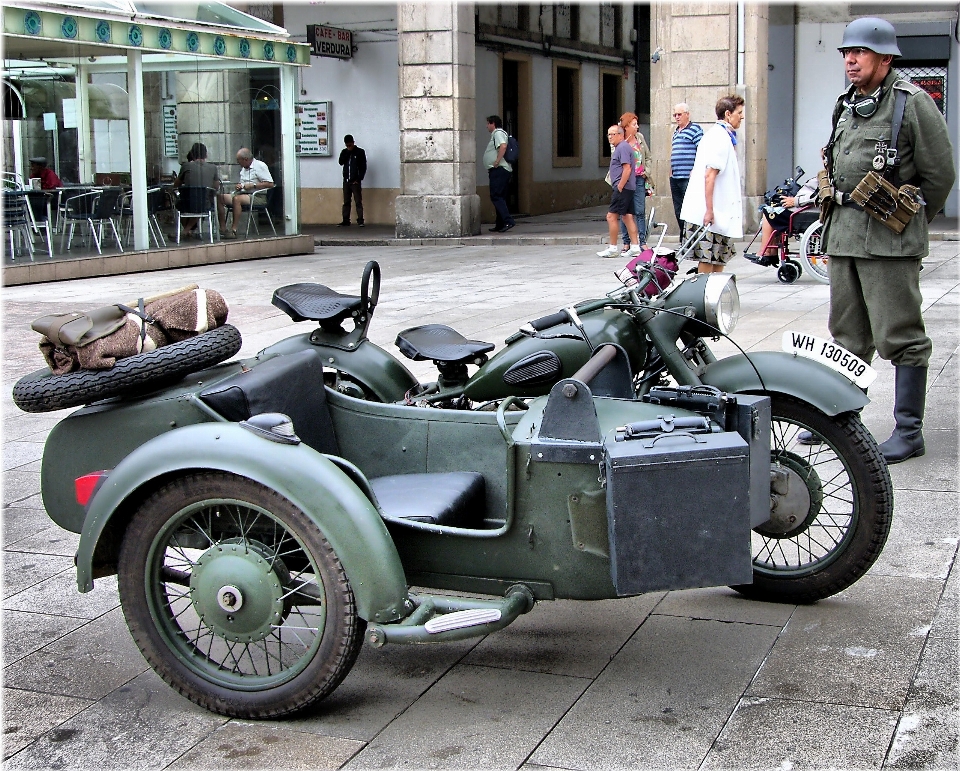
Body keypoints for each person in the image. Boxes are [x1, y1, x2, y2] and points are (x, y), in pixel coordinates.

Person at [816, 17, 955, 463]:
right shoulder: (846, 103)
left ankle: (909, 431)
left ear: (886, 57)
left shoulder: (911, 103)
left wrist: (907, 221)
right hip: (843, 235)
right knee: (847, 335)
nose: (850, 60)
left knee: (900, 335)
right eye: (846, 53)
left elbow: (939, 176)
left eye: (860, 53)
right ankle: (839, 421)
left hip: (887, 241)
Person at [679, 94, 745, 274]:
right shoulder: (719, 138)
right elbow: (709, 176)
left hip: (720, 210)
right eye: (739, 112)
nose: (742, 116)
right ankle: (703, 296)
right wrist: (709, 210)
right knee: (708, 258)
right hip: (711, 211)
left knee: (719, 257)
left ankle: (713, 296)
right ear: (728, 114)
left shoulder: (724, 136)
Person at [744, 178, 817, 266]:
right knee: (773, 209)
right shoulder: (828, 174)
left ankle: (766, 252)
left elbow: (818, 196)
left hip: (807, 213)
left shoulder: (827, 176)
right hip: (806, 209)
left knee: (769, 212)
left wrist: (795, 201)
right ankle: (770, 252)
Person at [597, 125, 641, 258]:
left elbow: (627, 169)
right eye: (608, 134)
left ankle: (613, 247)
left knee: (611, 216)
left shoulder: (622, 147)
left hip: (623, 188)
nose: (610, 137)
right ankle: (635, 247)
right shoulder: (623, 147)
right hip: (628, 187)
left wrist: (620, 186)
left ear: (621, 135)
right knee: (627, 216)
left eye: (613, 134)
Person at [218, 147, 274, 239]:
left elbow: (270, 184)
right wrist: (239, 186)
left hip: (257, 196)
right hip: (243, 193)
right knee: (220, 197)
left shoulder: (260, 166)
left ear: (246, 159)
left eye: (238, 160)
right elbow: (243, 183)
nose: (238, 162)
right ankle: (223, 229)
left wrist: (253, 185)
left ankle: (234, 230)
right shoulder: (244, 168)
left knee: (237, 200)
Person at [617, 112, 653, 253]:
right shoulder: (619, 140)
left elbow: (648, 157)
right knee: (625, 212)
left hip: (639, 179)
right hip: (625, 180)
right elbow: (616, 160)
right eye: (634, 124)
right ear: (626, 127)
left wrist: (646, 172)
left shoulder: (640, 138)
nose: (637, 127)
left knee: (639, 211)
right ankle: (626, 243)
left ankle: (642, 242)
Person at [669, 103, 703, 241]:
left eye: (679, 114)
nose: (677, 117)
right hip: (675, 176)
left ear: (687, 114)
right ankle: (683, 238)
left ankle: (692, 239)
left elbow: (702, 151)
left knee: (689, 209)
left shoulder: (695, 129)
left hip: (688, 177)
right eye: (675, 115)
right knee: (678, 210)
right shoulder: (676, 131)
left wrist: (695, 170)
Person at [173, 142, 219, 240]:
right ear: (206, 154)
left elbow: (176, 185)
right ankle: (188, 231)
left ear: (192, 154)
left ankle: (186, 230)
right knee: (201, 203)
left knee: (180, 204)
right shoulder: (213, 168)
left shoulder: (186, 166)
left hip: (187, 203)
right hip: (204, 203)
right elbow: (216, 187)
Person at [483, 115, 515, 233]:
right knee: (500, 196)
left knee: (496, 196)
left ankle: (508, 221)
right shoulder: (497, 133)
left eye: (488, 124)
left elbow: (503, 146)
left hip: (499, 169)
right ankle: (500, 223)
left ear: (493, 123)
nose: (487, 126)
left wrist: (497, 160)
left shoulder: (498, 133)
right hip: (499, 170)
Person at [338, 135, 367, 227]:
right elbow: (340, 162)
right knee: (346, 201)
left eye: (350, 145)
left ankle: (360, 220)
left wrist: (359, 179)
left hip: (355, 182)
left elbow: (363, 167)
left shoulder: (360, 152)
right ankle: (346, 220)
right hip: (346, 181)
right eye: (347, 145)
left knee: (358, 201)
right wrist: (347, 153)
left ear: (353, 142)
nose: (348, 147)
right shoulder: (344, 152)